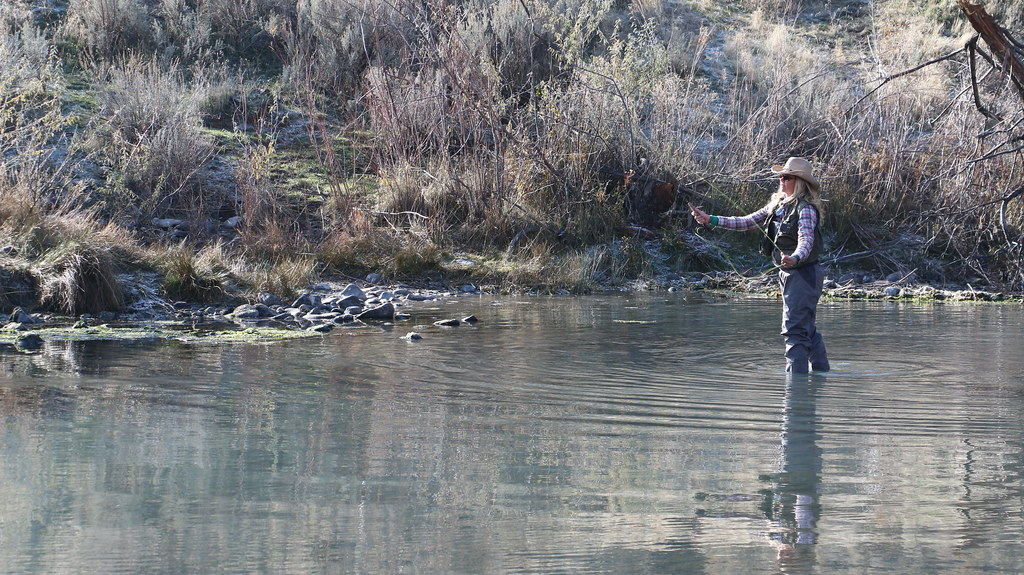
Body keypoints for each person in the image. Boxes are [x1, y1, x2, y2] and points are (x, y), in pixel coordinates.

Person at [691, 157, 830, 373]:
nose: (781, 180)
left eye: (787, 177)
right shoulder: (778, 206)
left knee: (794, 331)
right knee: (806, 329)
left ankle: (795, 393)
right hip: (791, 274)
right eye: (781, 176)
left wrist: (795, 258)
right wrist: (711, 220)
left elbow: (806, 240)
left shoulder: (806, 209)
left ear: (800, 182)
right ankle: (820, 377)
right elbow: (746, 221)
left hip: (804, 273)